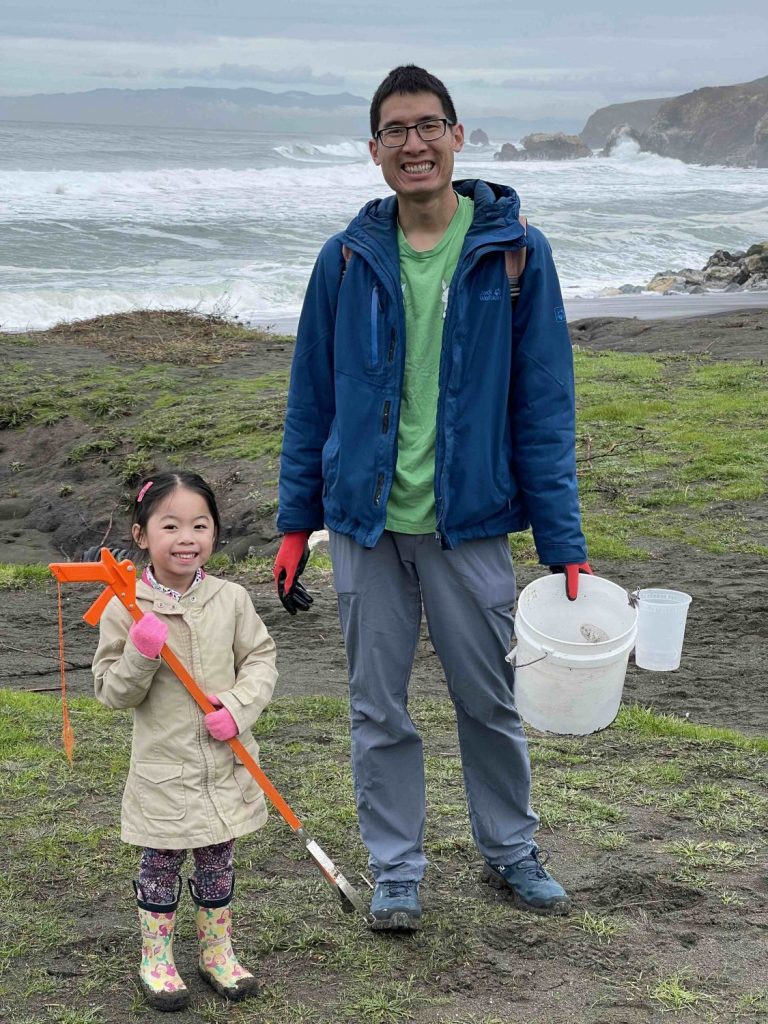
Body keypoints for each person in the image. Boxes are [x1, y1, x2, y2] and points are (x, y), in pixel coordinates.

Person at [274, 65, 591, 931]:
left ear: (457, 135)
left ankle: (511, 851)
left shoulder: (515, 249)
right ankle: (396, 870)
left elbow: (544, 402)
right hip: (364, 524)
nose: (412, 144)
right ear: (374, 151)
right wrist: (296, 523)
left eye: (427, 126)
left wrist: (563, 540)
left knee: (487, 698)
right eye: (394, 132)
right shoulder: (345, 258)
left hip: (472, 520)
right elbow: (311, 400)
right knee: (377, 706)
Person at [93, 471, 277, 1008]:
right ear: (141, 534)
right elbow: (111, 692)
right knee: (161, 863)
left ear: (214, 533)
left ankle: (216, 951)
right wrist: (140, 652)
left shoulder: (232, 599)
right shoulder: (125, 608)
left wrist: (237, 708)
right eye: (170, 525)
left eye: (199, 524)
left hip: (223, 763)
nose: (186, 537)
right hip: (164, 771)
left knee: (218, 858)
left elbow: (261, 660)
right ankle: (156, 958)